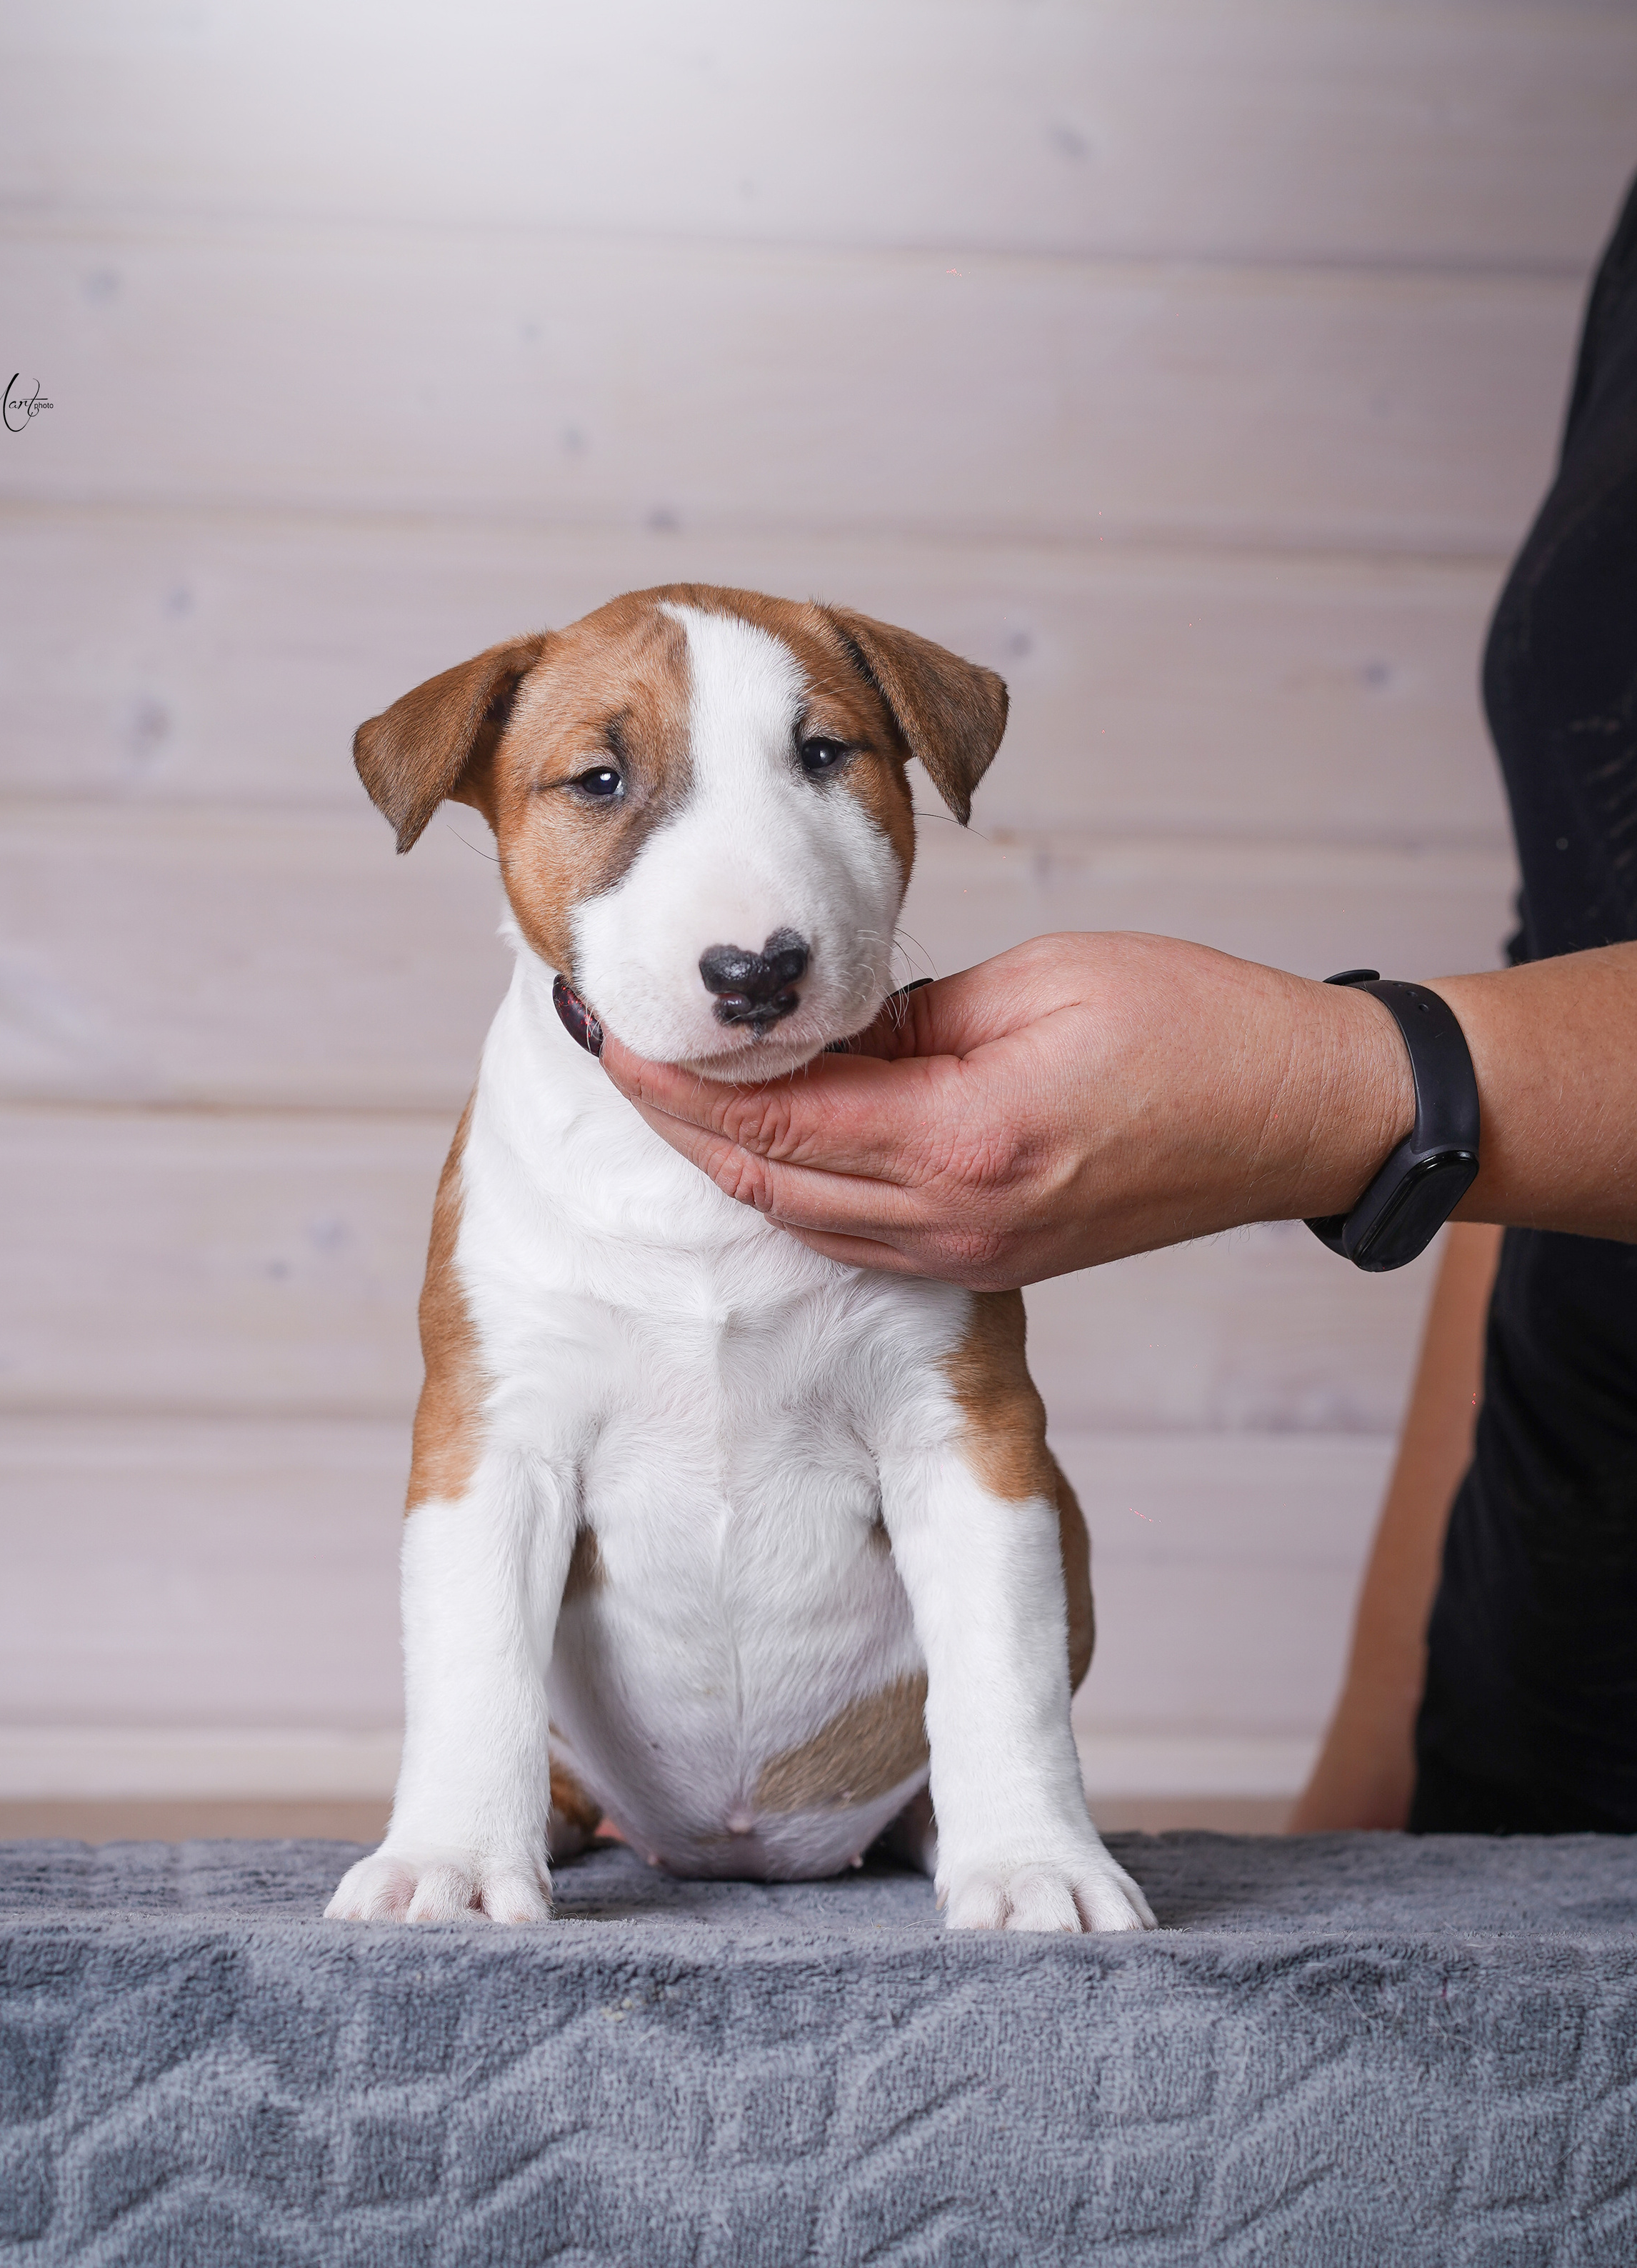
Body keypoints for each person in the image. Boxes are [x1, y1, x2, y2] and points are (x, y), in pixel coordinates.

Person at [597, 175, 1637, 1837]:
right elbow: (1581, 950)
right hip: (1557, 1611)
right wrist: (1378, 1767)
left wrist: (1340, 1091)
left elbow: (1461, 1074)